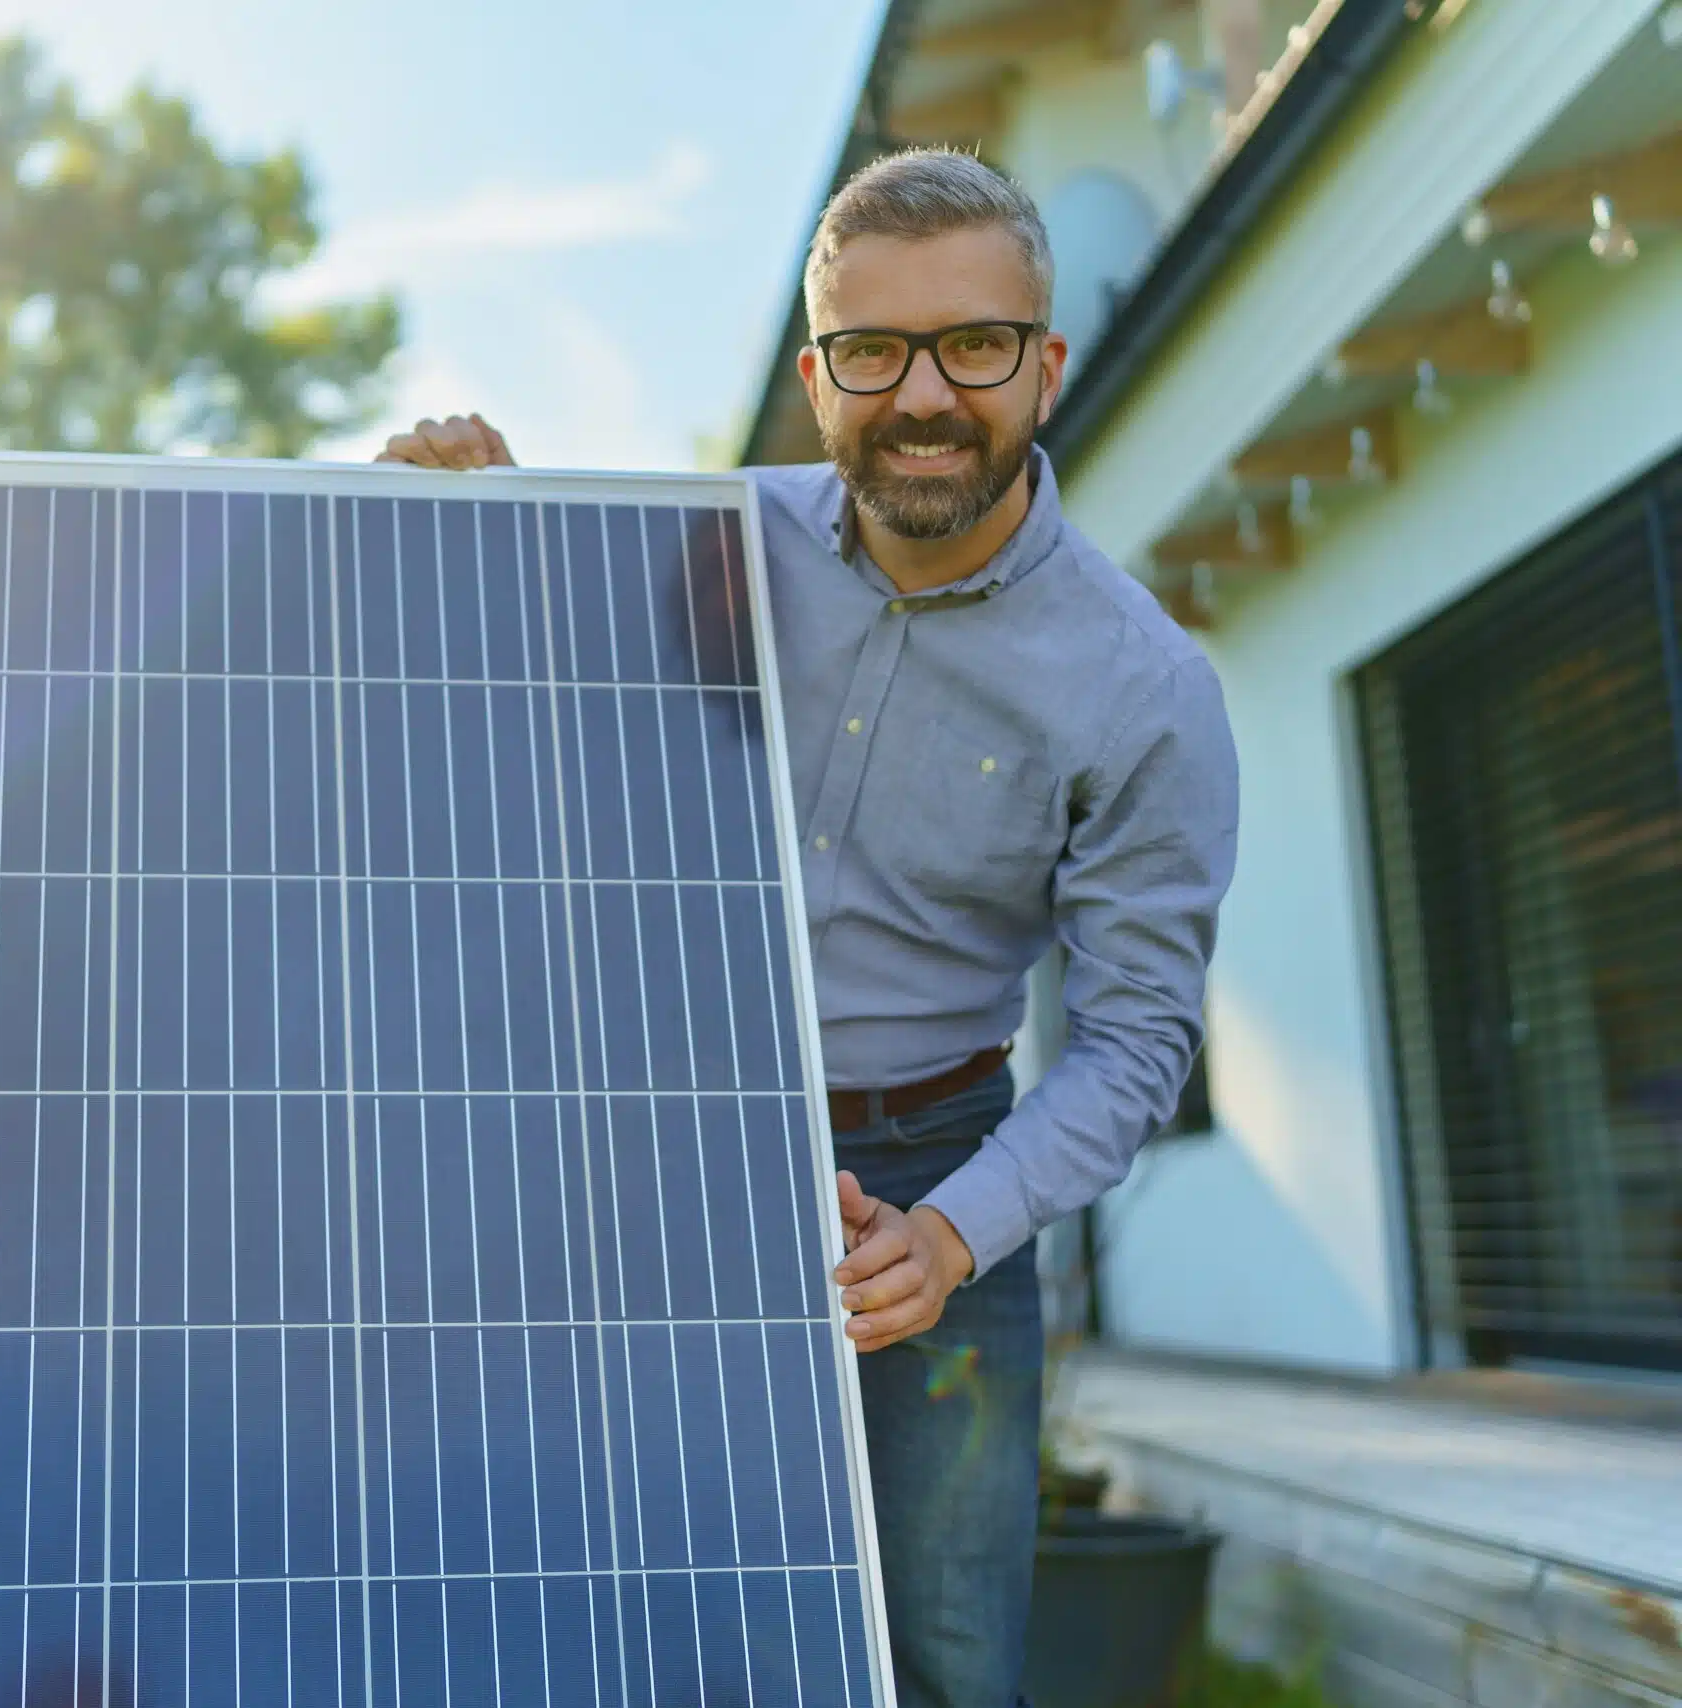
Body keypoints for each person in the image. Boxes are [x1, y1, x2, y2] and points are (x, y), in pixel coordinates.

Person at [377, 147, 1239, 1708]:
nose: (922, 395)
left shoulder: (1146, 690)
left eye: (972, 345)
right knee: (610, 1595)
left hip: (935, 1176)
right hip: (648, 1140)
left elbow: (1136, 1042)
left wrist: (956, 1236)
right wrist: (454, 534)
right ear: (817, 375)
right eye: (873, 352)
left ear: (1043, 367)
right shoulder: (688, 550)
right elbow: (491, 708)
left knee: (950, 1649)